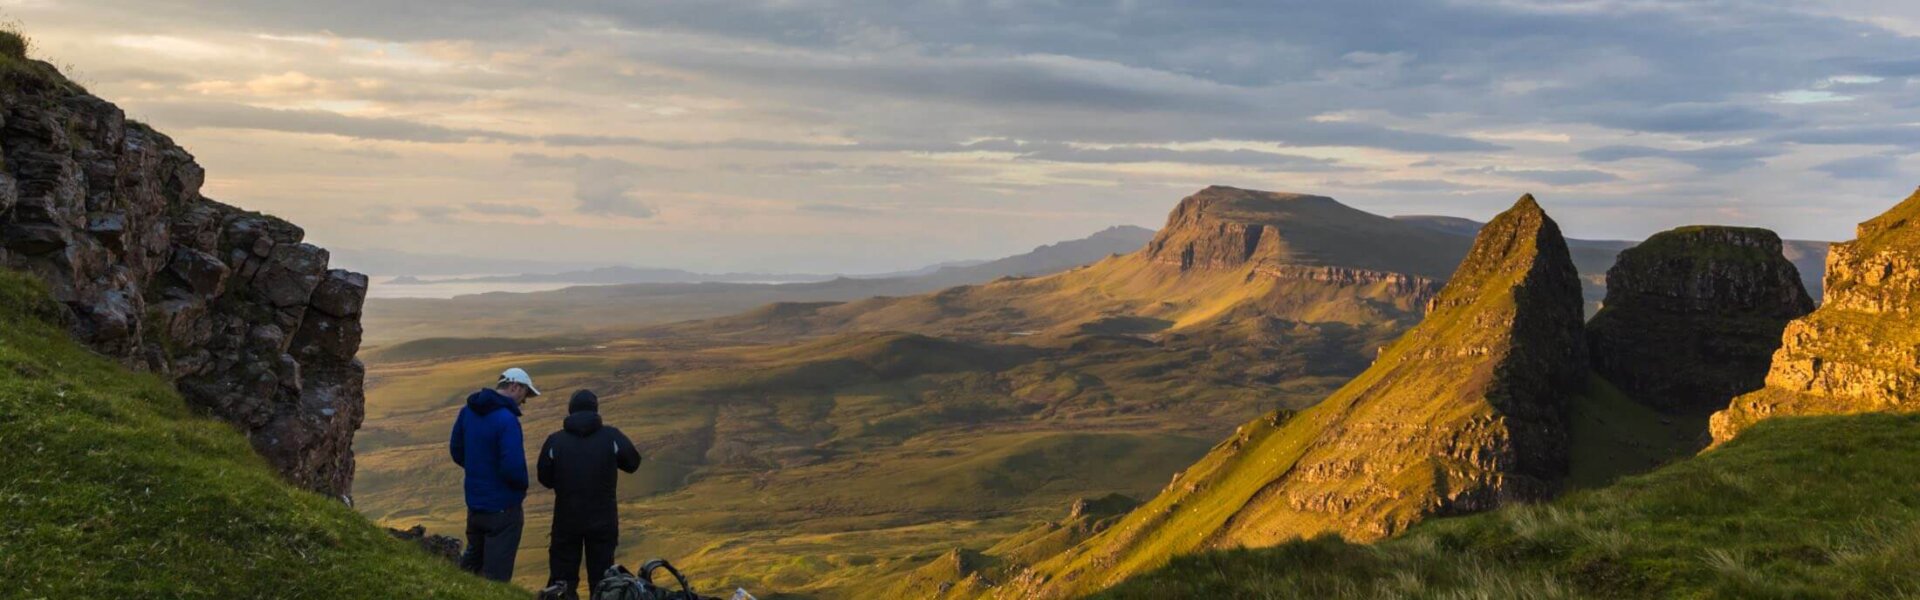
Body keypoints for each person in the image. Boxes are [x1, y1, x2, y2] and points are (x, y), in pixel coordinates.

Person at [537, 389, 642, 597]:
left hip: (566, 518)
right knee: (603, 578)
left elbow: (545, 479)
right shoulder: (611, 437)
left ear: (570, 411)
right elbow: (633, 463)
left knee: (562, 577)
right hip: (603, 519)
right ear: (596, 410)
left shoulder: (555, 441)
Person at [449, 367, 539, 581]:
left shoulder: (467, 412)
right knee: (495, 580)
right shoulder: (506, 420)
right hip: (503, 509)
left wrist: (479, 469)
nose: (524, 401)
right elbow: (513, 467)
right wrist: (520, 489)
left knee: (470, 572)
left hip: (475, 505)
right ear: (515, 386)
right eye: (525, 394)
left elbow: (457, 451)